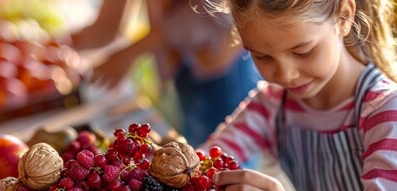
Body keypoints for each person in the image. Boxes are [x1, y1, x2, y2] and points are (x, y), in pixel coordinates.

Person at [198, 0, 397, 191]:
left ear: (344, 17)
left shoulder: (387, 110)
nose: (285, 75)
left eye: (303, 52)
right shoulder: (272, 104)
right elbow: (206, 161)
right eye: (263, 57)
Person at [72, 0, 262, 148]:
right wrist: (67, 46)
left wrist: (129, 53)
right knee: (196, 154)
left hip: (220, 71)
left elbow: (214, 14)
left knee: (224, 159)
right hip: (183, 68)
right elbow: (108, 25)